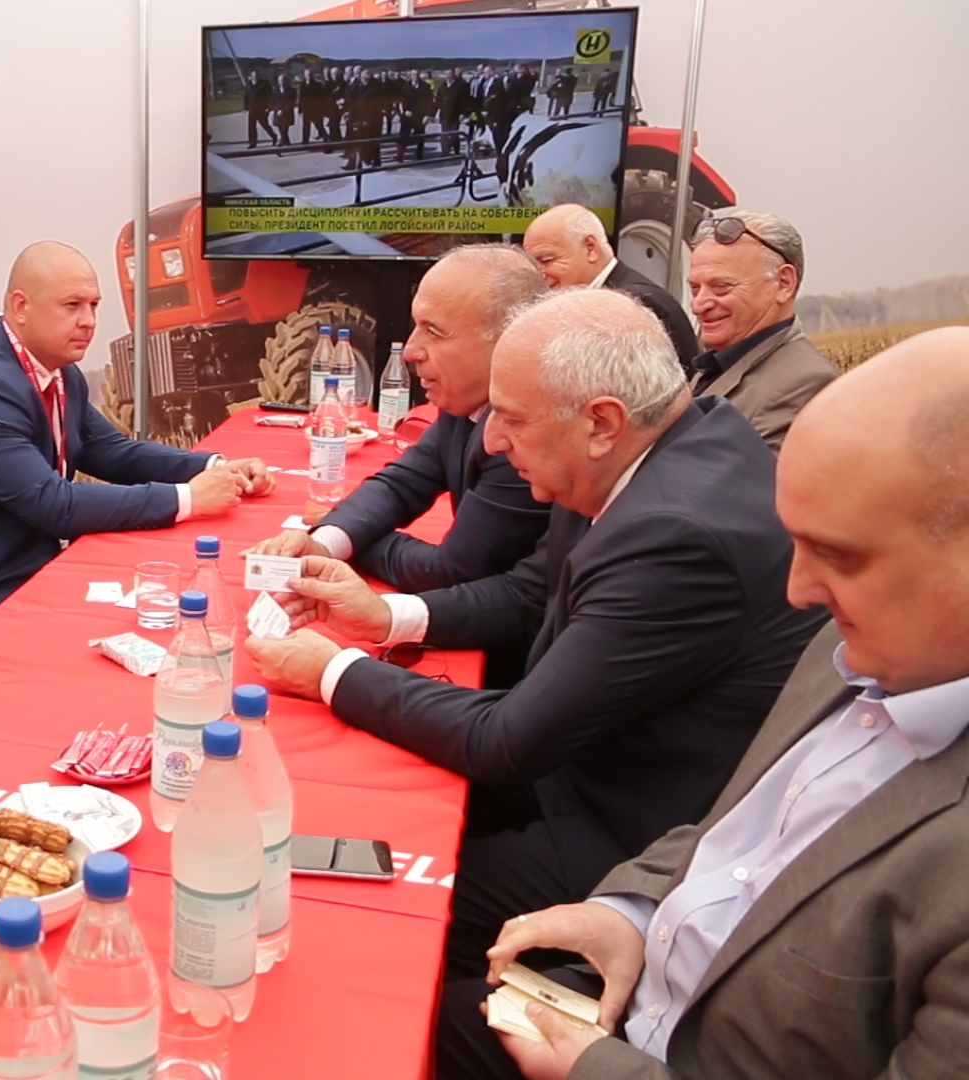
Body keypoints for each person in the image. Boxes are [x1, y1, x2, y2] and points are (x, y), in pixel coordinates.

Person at [243, 288, 826, 991]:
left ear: (601, 422)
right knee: (348, 801)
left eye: (512, 420)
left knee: (352, 921)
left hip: (634, 841)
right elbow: (529, 596)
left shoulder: (674, 533)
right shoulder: (645, 454)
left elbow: (508, 740)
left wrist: (333, 671)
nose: (490, 442)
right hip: (583, 768)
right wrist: (383, 620)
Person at [440, 326, 969, 1080]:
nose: (800, 591)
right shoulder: (866, 648)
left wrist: (597, 1070)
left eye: (840, 556)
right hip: (632, 994)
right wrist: (631, 913)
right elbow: (744, 826)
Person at [0, 241, 272, 639]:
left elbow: (109, 450)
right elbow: (52, 503)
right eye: (72, 306)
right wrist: (189, 498)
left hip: (27, 566)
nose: (89, 321)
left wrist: (214, 467)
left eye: (93, 306)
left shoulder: (57, 369)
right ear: (21, 307)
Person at [248, 246, 552, 602]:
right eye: (416, 326)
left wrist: (351, 548)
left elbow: (453, 572)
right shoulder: (466, 398)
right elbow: (403, 482)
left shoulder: (529, 433)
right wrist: (327, 541)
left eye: (434, 332)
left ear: (508, 340)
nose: (410, 350)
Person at [685, 209, 839, 450]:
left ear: (784, 283)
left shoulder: (805, 384)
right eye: (695, 289)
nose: (698, 305)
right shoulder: (718, 367)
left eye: (721, 286)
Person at [523, 202, 700, 365]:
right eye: (532, 264)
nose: (539, 274)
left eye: (546, 260)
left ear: (591, 248)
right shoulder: (600, 298)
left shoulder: (636, 304)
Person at [243, 68, 276, 148]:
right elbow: (246, 97)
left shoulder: (264, 84)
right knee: (251, 126)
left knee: (264, 125)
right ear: (251, 76)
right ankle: (252, 142)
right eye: (253, 75)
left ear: (259, 76)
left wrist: (269, 107)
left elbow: (270, 96)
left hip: (262, 109)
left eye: (256, 75)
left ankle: (274, 136)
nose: (255, 77)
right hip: (252, 109)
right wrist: (245, 108)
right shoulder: (249, 85)